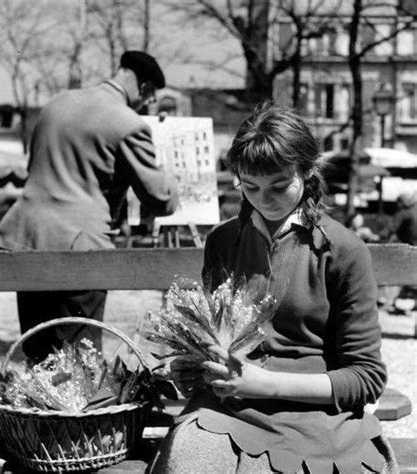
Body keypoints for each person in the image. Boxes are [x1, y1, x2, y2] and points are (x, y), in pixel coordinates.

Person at [150, 103, 396, 473]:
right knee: (188, 461)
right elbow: (213, 340)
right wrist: (193, 367)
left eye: (280, 185)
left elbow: (366, 377)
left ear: (308, 171)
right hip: (229, 407)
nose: (264, 199)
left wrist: (263, 384)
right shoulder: (223, 241)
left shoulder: (341, 250)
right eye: (250, 187)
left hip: (314, 414)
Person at [0, 51, 178, 361]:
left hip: (27, 240)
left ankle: (36, 409)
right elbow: (160, 199)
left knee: (39, 349)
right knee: (81, 355)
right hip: (80, 247)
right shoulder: (127, 122)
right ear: (144, 88)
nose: (147, 105)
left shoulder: (56, 104)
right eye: (150, 98)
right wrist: (171, 175)